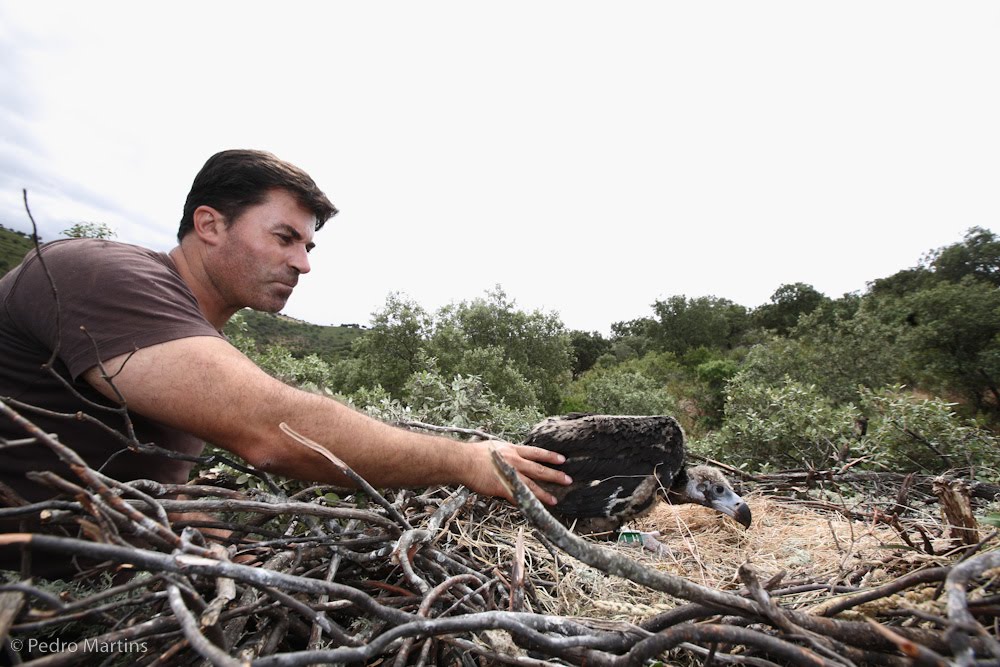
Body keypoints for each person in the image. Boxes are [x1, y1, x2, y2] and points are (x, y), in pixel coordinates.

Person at [0, 149, 570, 574]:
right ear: (210, 224)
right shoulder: (101, 271)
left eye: (308, 247)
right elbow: (270, 429)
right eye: (284, 238)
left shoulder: (185, 340)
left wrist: (164, 511)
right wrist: (467, 461)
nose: (303, 264)